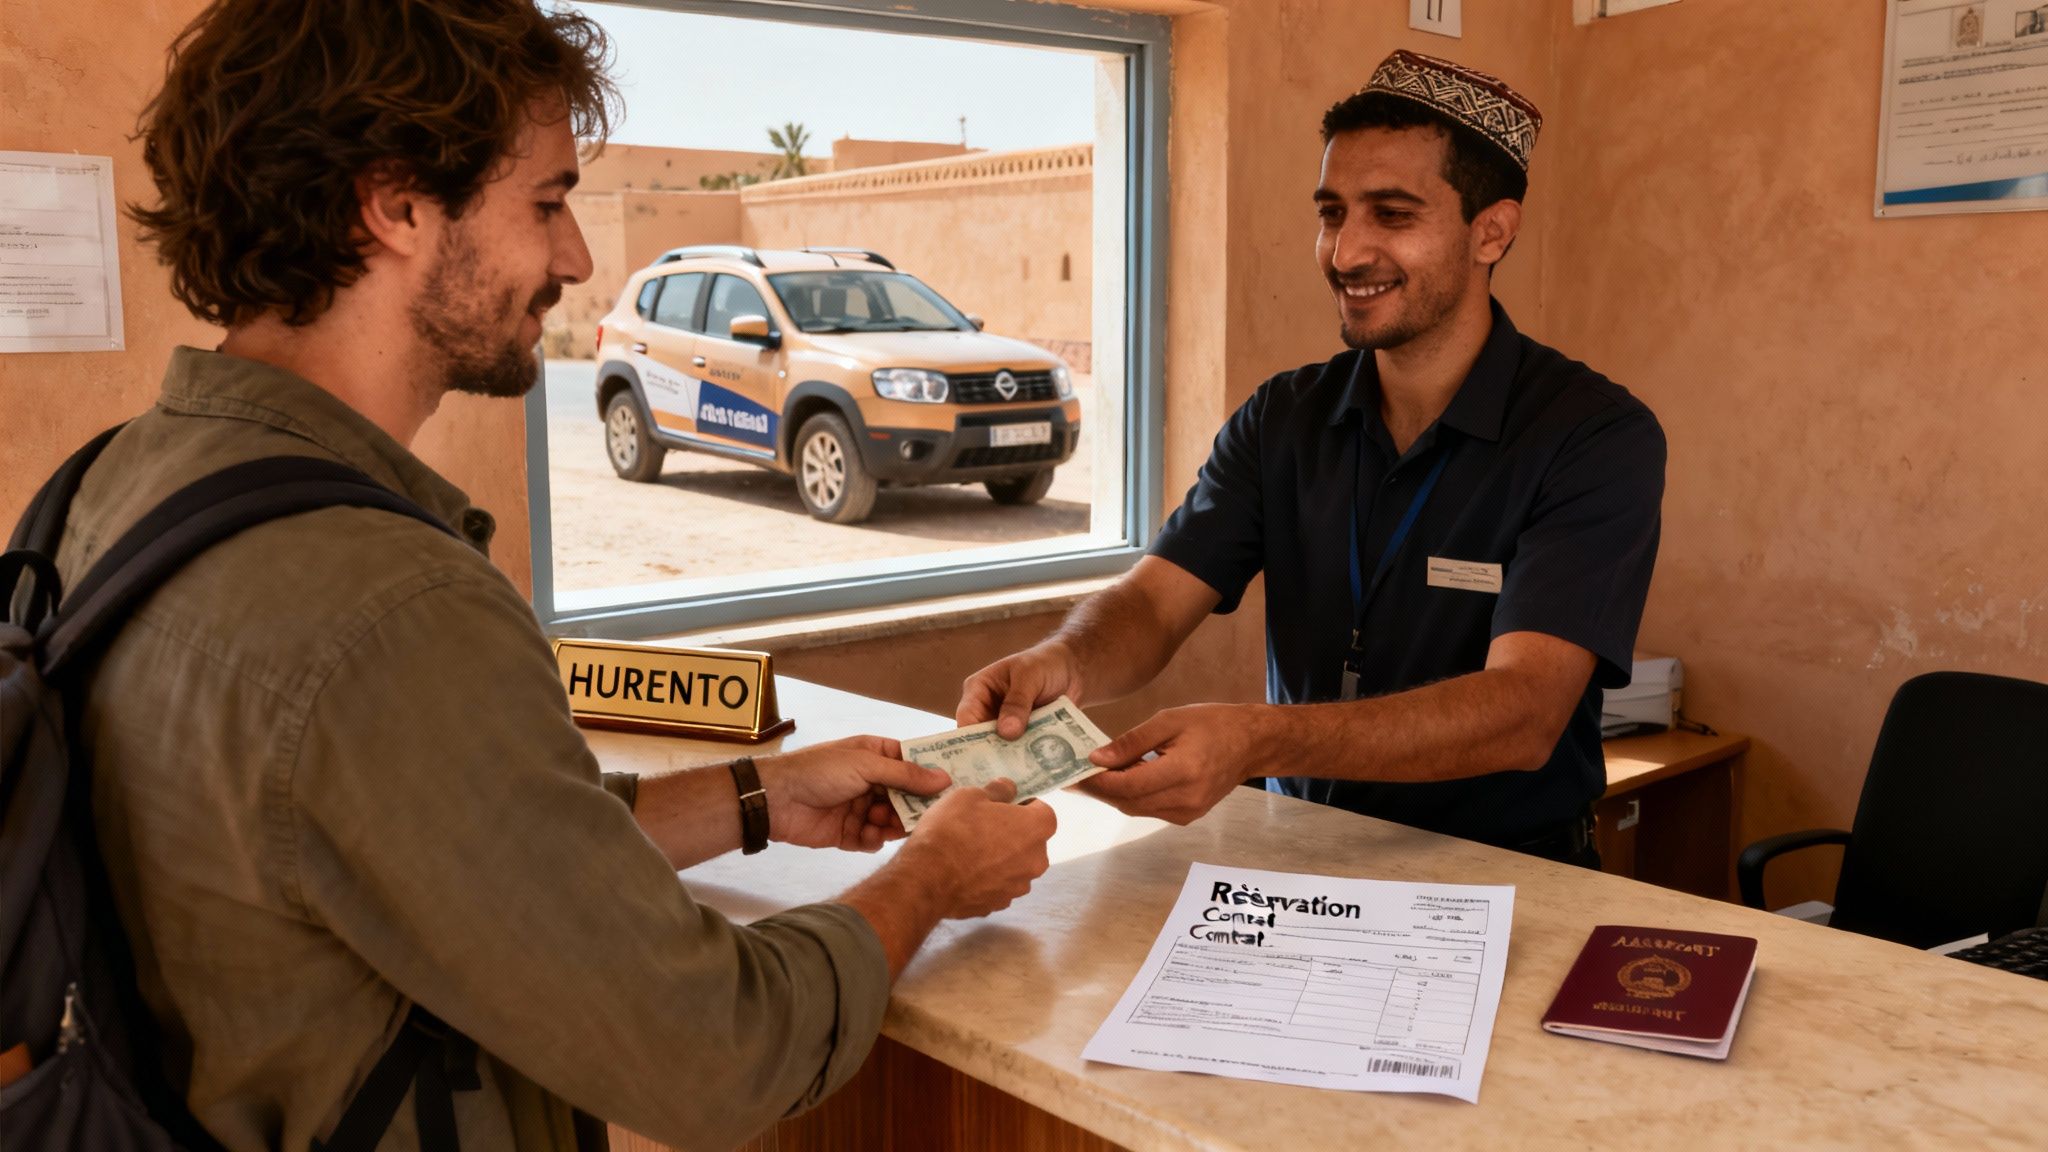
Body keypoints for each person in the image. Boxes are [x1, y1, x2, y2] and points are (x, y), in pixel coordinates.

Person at [53, 2, 1056, 1148]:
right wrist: (931, 877)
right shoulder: (389, 609)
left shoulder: (117, 484)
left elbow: (468, 854)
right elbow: (716, 1049)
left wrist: (759, 797)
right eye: (545, 203)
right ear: (394, 206)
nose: (576, 259)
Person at [957, 51, 1665, 868]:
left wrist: (1257, 739)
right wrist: (1066, 659)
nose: (1345, 252)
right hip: (1297, 859)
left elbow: (1524, 711)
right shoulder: (1283, 417)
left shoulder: (1594, 435)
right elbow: (1154, 604)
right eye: (1332, 213)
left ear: (1491, 231)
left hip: (1507, 872)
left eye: (1392, 215)